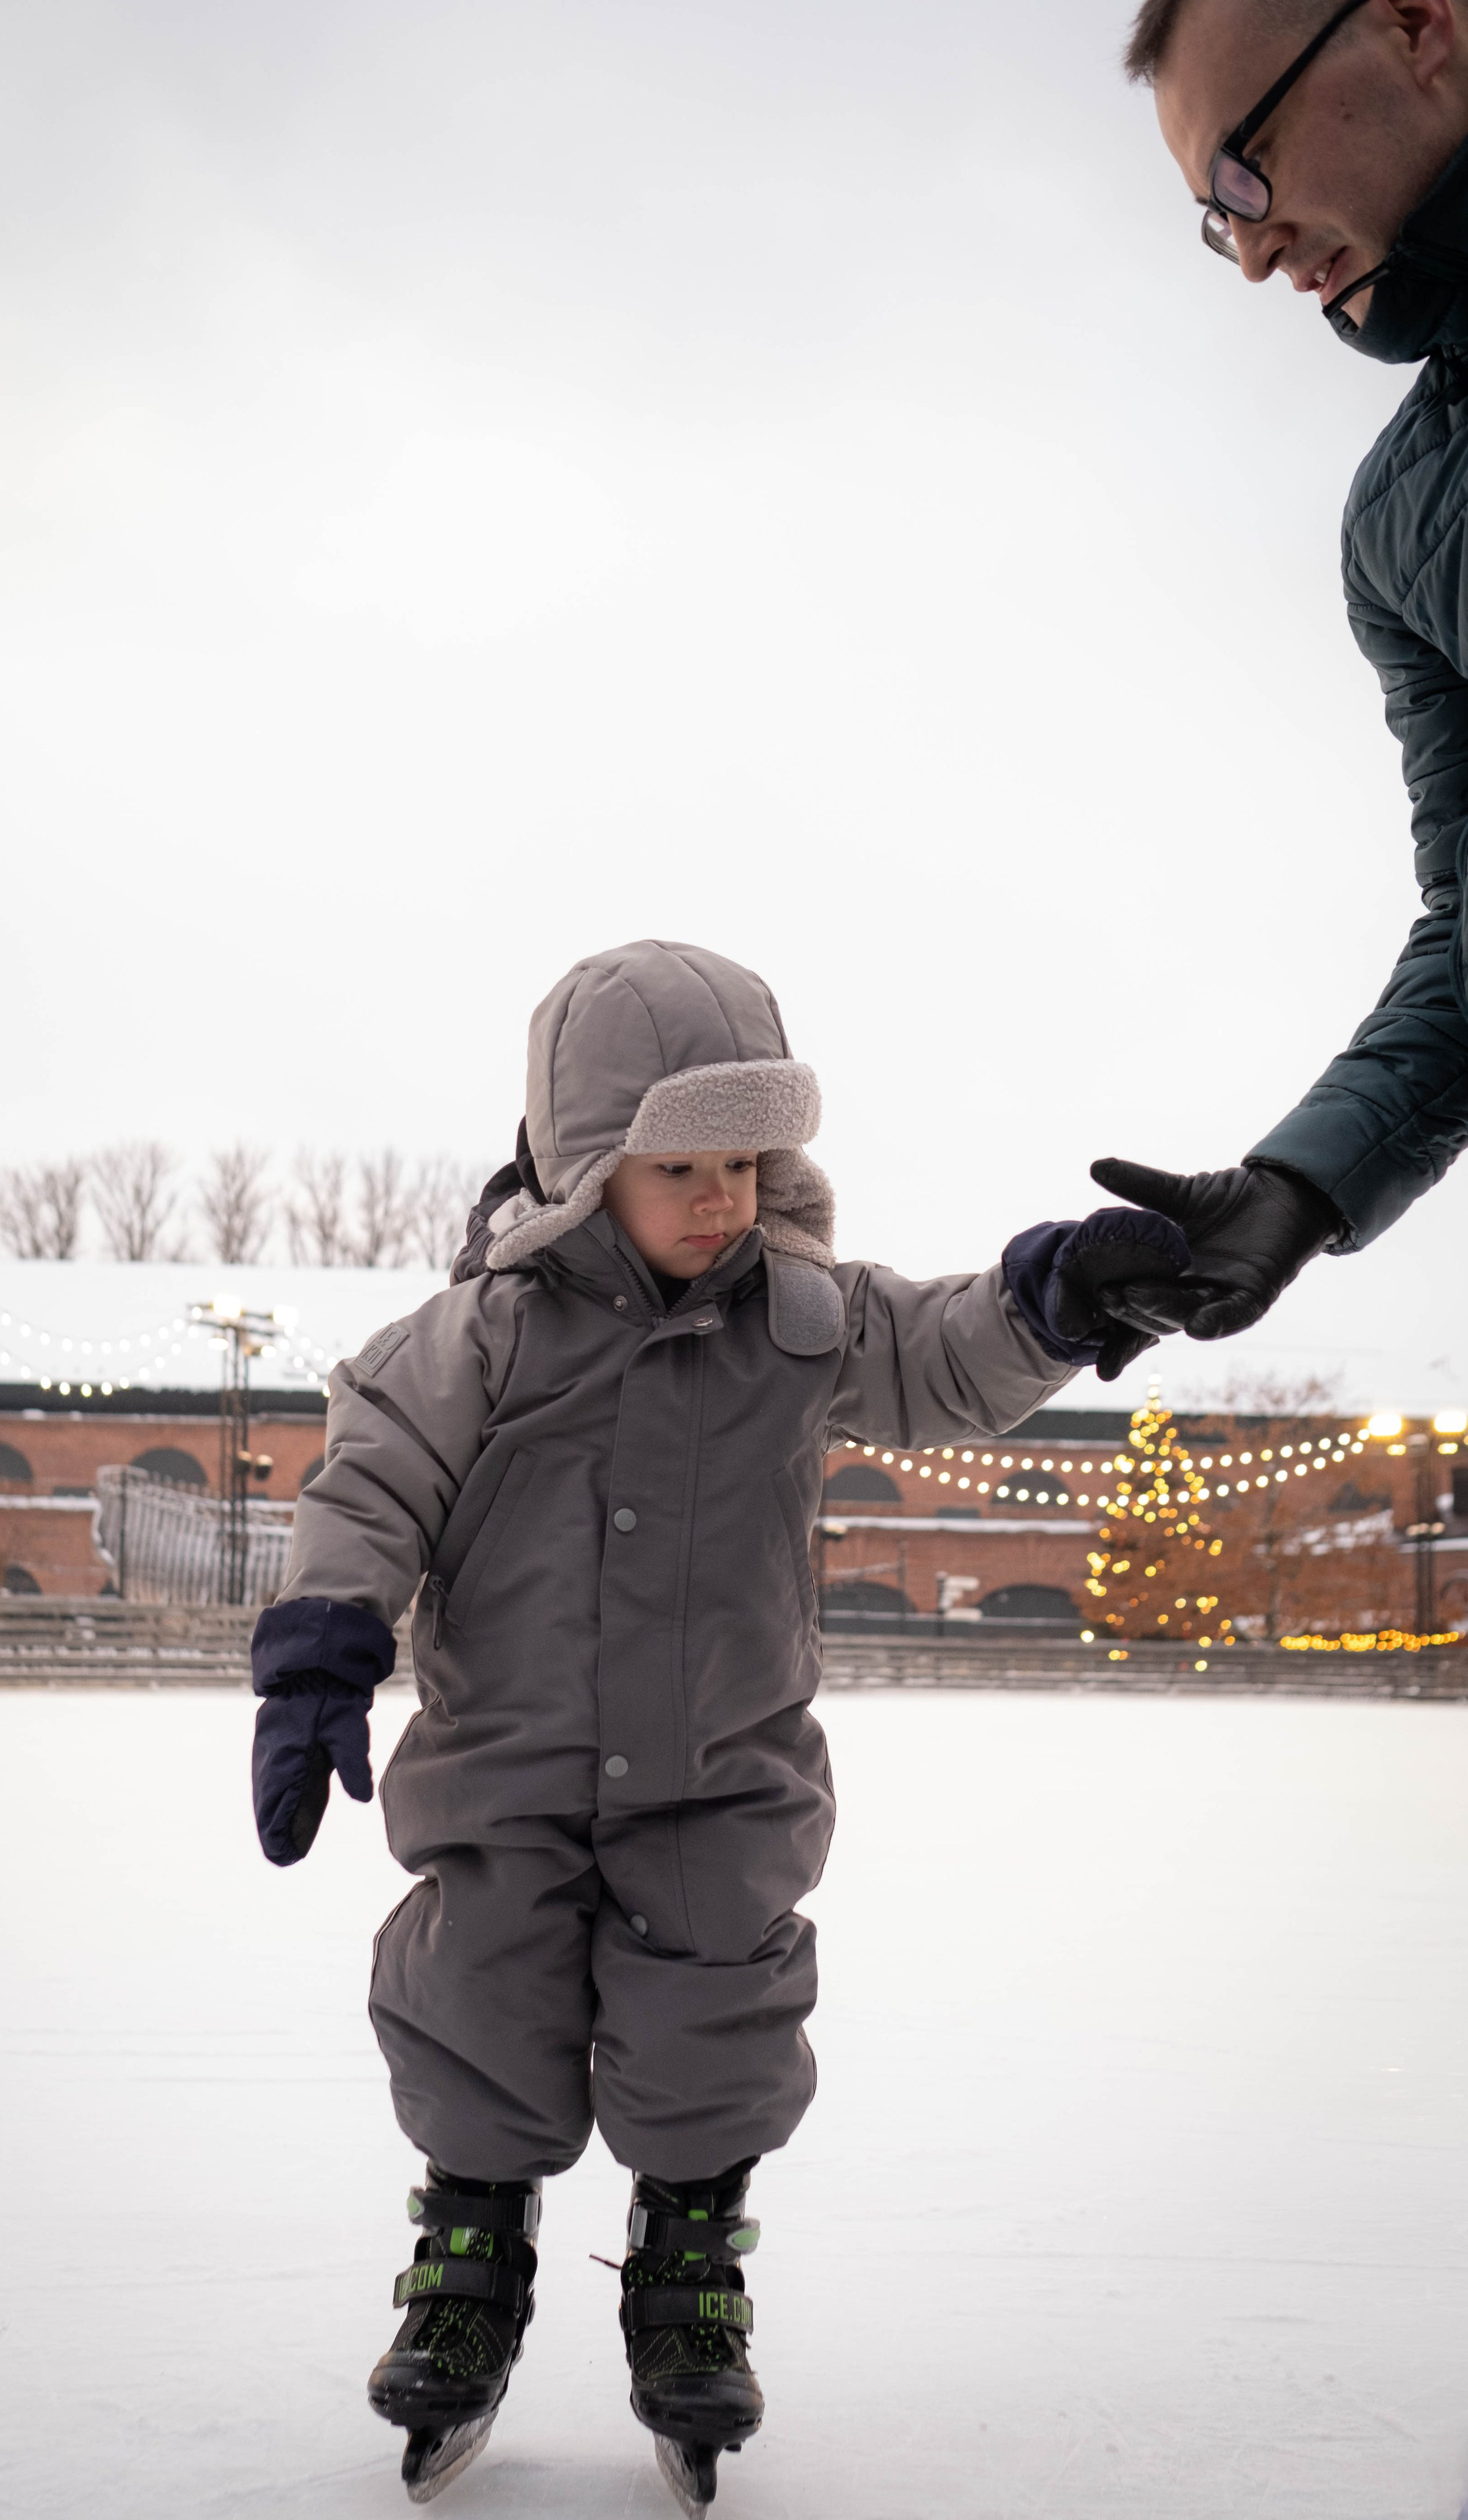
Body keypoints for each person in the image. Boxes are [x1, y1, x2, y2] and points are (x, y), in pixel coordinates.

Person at [244, 938, 1187, 2515]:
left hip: (721, 1769)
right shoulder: (481, 1334)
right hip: (510, 1764)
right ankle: (469, 2251)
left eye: (743, 1161)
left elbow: (949, 1352)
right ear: (584, 1165)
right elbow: (370, 1476)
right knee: (477, 1992)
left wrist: (1056, 1295)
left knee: (714, 2014)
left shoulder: (805, 1322)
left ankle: (687, 2257)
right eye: (676, 1162)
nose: (719, 1199)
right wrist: (322, 1651)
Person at [1097, 0, 1468, 1348]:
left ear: (1415, 28)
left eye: (1244, 170)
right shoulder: (1401, 532)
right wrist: (1300, 1182)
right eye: (1213, 215)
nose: (1249, 252)